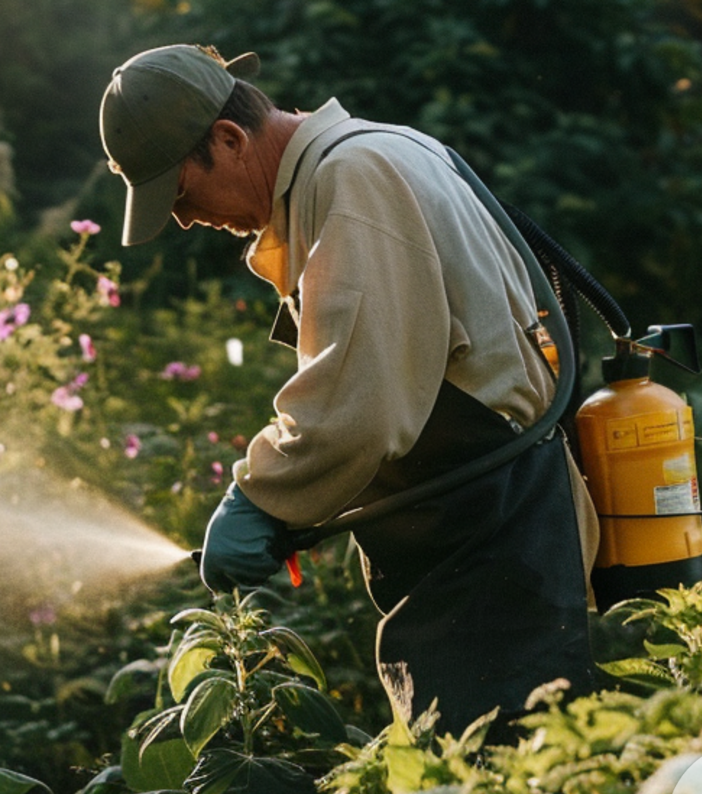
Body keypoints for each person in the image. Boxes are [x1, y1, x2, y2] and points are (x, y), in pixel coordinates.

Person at [99, 44, 600, 738]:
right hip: (484, 519)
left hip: (490, 534)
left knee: (501, 781)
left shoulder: (353, 180)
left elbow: (357, 398)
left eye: (181, 193)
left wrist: (264, 499)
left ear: (228, 138)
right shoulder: (374, 154)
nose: (183, 220)